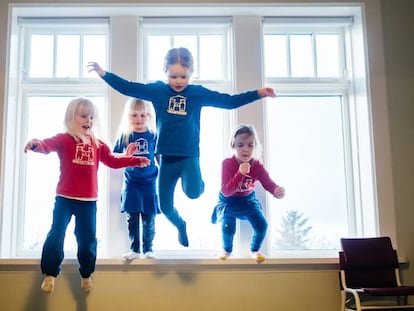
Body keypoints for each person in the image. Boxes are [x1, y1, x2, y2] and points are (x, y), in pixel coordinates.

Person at [87, 47, 276, 248]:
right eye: (173, 76)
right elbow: (129, 88)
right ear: (165, 72)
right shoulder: (158, 91)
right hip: (167, 159)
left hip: (189, 157)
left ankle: (200, 183)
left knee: (193, 192)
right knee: (164, 207)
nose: (178, 81)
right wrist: (103, 74)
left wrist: (258, 93)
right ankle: (181, 225)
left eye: (183, 76)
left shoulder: (197, 94)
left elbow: (228, 102)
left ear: (191, 73)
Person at [24, 97, 150, 293]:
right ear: (71, 118)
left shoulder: (97, 144)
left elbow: (113, 161)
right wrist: (36, 144)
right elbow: (46, 145)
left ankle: (86, 273)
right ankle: (50, 273)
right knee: (57, 232)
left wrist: (133, 160)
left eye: (91, 117)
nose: (88, 121)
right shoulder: (64, 139)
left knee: (87, 237)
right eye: (84, 116)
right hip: (64, 198)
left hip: (88, 201)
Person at [211, 124, 285, 263]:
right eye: (241, 145)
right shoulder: (227, 163)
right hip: (229, 200)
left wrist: (276, 190)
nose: (245, 149)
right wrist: (240, 173)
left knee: (262, 225)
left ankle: (255, 249)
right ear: (233, 146)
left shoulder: (257, 165)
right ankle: (227, 250)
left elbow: (267, 182)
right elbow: (226, 191)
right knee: (228, 228)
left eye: (250, 145)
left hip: (247, 200)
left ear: (255, 147)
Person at [113, 97, 160, 261]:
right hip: (131, 183)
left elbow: (160, 157)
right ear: (128, 116)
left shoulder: (154, 135)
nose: (139, 119)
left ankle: (148, 249)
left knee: (149, 217)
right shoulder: (125, 136)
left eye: (143, 115)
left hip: (149, 183)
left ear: (149, 117)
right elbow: (114, 157)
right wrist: (126, 155)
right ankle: (135, 249)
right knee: (132, 217)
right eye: (134, 115)